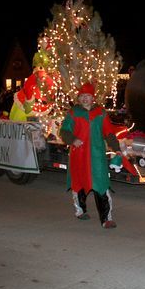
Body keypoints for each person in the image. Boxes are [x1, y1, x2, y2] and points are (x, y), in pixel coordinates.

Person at [59, 82, 122, 229]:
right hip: (79, 155)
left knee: (101, 185)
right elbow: (64, 131)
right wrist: (73, 140)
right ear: (79, 98)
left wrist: (116, 148)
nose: (85, 98)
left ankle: (106, 219)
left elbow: (109, 133)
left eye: (88, 96)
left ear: (93, 98)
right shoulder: (73, 113)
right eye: (82, 96)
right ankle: (80, 210)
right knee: (79, 184)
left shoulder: (101, 113)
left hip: (97, 156)